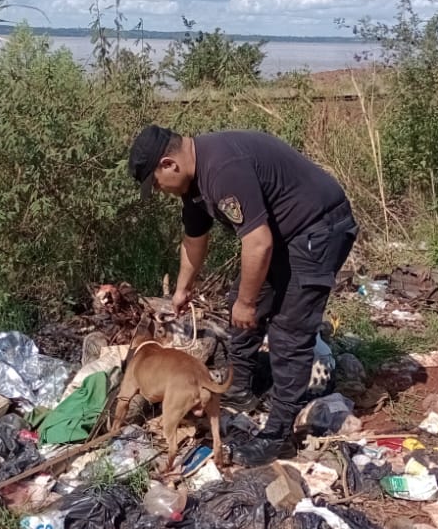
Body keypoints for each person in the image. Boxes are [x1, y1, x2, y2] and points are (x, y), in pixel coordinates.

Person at [128, 125, 357, 465]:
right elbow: (194, 239)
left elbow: (258, 243)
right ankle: (239, 388)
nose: (160, 191)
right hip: (282, 235)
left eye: (156, 183)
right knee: (239, 304)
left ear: (169, 164)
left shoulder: (221, 171)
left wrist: (248, 303)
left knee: (288, 331)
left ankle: (277, 436)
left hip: (319, 228)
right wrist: (182, 290)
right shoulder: (193, 185)